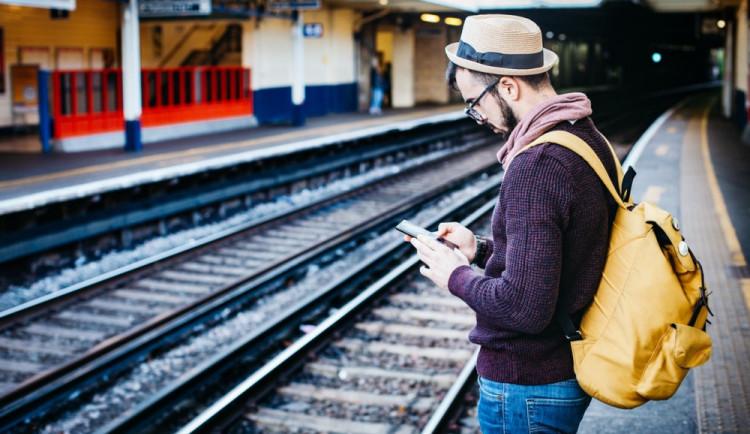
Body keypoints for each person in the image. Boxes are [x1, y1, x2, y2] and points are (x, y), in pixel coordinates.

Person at [406, 14, 620, 433]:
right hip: (559, 370)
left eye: (475, 102)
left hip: (527, 383)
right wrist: (480, 250)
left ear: (508, 86)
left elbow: (523, 307)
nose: (478, 116)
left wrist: (456, 275)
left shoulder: (536, 164)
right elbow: (566, 252)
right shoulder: (585, 134)